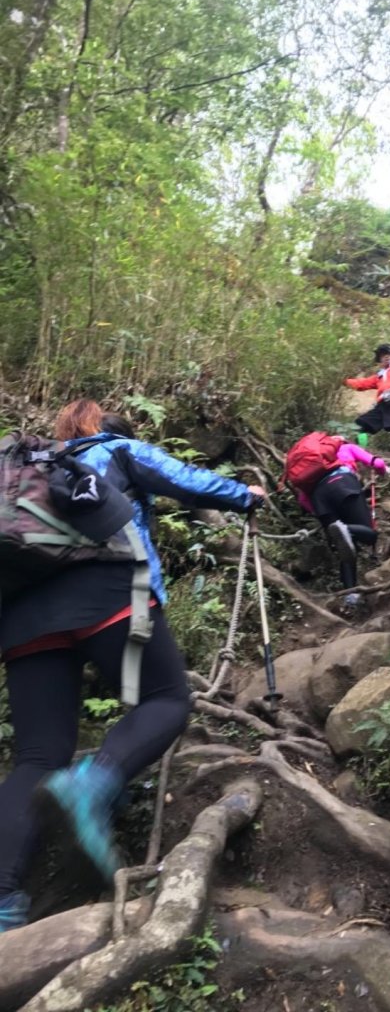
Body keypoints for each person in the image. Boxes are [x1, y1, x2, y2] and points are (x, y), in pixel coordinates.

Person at [0, 399, 266, 932]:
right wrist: (246, 495)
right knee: (166, 699)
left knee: (36, 754)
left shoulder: (24, 475)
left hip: (21, 612)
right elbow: (185, 480)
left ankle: (4, 899)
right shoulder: (116, 448)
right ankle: (96, 782)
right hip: (109, 591)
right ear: (101, 426)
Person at [292, 438, 389, 610]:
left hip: (319, 498)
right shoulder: (347, 448)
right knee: (370, 535)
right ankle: (346, 529)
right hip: (344, 485)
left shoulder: (311, 470)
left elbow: (302, 499)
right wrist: (383, 471)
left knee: (345, 546)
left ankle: (350, 595)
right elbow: (377, 463)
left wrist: (320, 512)